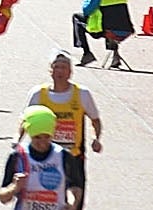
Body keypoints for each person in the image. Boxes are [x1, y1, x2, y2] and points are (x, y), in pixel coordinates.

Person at [23, 56, 100, 210]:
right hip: (45, 157)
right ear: (50, 71)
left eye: (64, 67)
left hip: (73, 155)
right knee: (47, 198)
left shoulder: (82, 94)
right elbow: (25, 119)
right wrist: (17, 140)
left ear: (70, 72)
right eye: (56, 67)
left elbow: (95, 120)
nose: (60, 71)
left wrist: (96, 138)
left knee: (74, 196)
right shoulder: (39, 94)